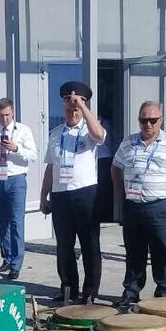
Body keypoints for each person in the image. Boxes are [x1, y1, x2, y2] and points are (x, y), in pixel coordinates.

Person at [111, 101, 166, 308]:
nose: (148, 124)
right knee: (133, 251)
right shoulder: (128, 142)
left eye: (153, 120)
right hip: (133, 206)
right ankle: (131, 291)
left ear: (160, 120)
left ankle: (164, 292)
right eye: (143, 120)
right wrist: (119, 193)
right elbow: (116, 166)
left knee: (162, 251)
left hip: (160, 206)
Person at [39, 81, 105, 302]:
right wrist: (43, 196)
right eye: (68, 108)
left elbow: (99, 135)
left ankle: (90, 292)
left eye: (76, 108)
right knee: (64, 245)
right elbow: (50, 166)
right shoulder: (56, 133)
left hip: (85, 193)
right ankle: (68, 287)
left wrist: (84, 108)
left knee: (90, 244)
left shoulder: (89, 129)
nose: (72, 112)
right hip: (61, 196)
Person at [0, 97, 37, 281]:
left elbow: (33, 156)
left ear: (12, 113)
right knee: (2, 222)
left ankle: (16, 263)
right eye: (0, 115)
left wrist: (16, 148)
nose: (4, 119)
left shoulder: (23, 130)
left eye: (7, 115)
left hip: (16, 179)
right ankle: (7, 257)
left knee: (16, 222)